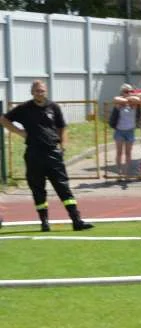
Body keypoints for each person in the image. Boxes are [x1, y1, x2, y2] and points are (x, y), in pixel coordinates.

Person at [0, 80, 93, 232]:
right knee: (38, 188)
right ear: (32, 92)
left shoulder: (53, 107)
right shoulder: (24, 108)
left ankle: (76, 220)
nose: (40, 93)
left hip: (53, 153)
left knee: (63, 187)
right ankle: (44, 222)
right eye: (37, 91)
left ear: (46, 92)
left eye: (42, 91)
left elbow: (62, 127)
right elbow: (3, 119)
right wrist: (19, 132)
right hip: (34, 153)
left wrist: (63, 145)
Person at [112, 84, 141, 180]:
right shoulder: (119, 101)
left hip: (130, 131)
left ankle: (126, 173)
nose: (128, 93)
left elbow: (138, 100)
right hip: (119, 130)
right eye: (126, 91)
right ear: (122, 92)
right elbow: (115, 99)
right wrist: (126, 100)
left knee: (128, 153)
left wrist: (129, 98)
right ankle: (119, 172)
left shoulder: (134, 102)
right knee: (119, 153)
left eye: (130, 91)